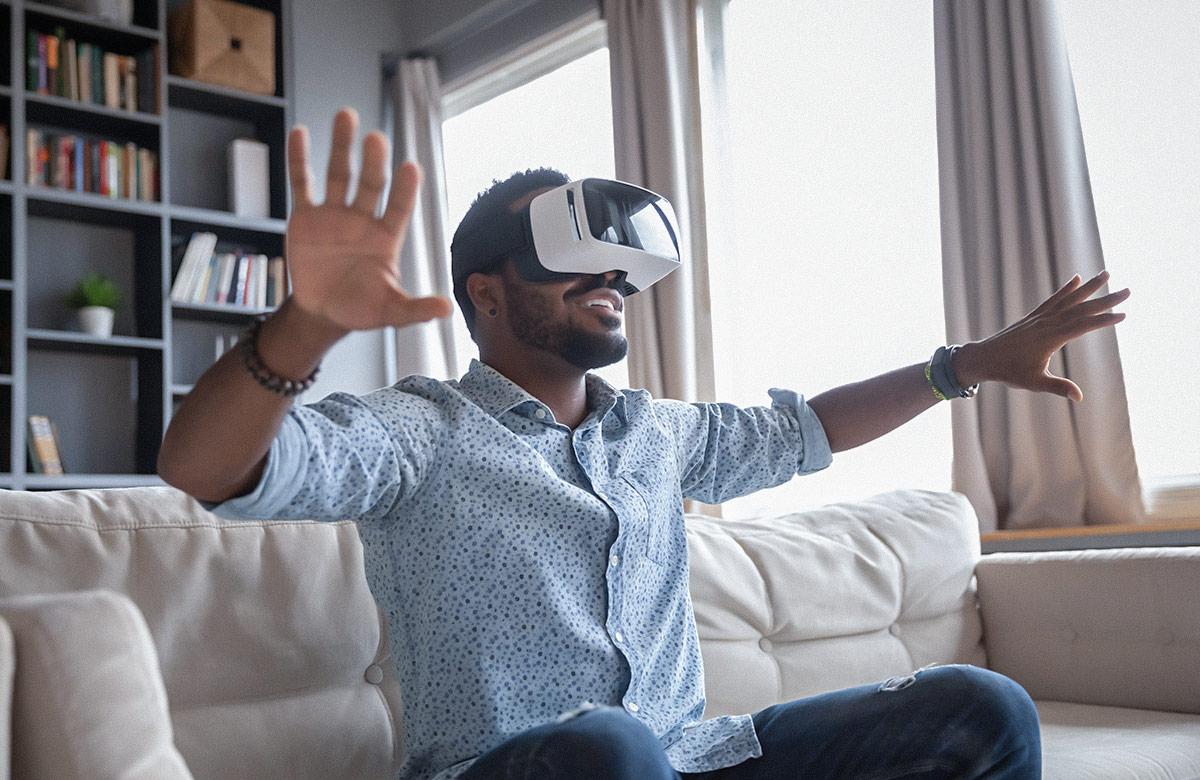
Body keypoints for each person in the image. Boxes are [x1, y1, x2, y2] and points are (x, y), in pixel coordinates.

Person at [159, 108, 1130, 780]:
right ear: (488, 295)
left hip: (691, 757)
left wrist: (967, 363)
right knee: (609, 750)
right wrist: (307, 327)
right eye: (572, 263)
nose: (610, 278)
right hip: (529, 769)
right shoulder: (422, 431)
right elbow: (203, 470)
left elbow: (808, 430)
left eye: (620, 268)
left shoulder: (656, 434)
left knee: (979, 707)